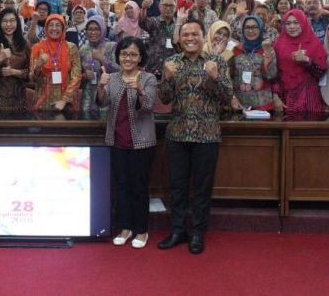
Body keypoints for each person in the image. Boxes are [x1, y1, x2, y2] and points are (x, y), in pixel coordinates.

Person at [157, 19, 233, 254]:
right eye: (186, 34)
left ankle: (198, 233)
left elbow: (227, 97)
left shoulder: (216, 61)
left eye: (195, 34)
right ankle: (178, 230)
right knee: (177, 187)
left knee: (202, 188)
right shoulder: (171, 62)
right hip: (177, 134)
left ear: (203, 36)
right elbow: (164, 97)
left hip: (206, 135)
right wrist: (166, 78)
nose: (190, 38)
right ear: (179, 38)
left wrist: (215, 76)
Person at [96, 37, 156, 249]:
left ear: (140, 57)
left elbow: (148, 106)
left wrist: (139, 89)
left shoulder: (148, 78)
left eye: (133, 54)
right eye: (124, 54)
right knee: (121, 187)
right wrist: (101, 87)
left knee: (139, 188)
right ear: (118, 56)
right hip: (117, 140)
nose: (128, 58)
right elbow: (102, 103)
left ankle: (141, 230)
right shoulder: (112, 77)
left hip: (142, 143)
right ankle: (125, 227)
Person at [273, 9, 327, 113]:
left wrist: (307, 60)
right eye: (288, 23)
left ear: (303, 23)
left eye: (296, 22)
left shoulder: (314, 43)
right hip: (283, 95)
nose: (292, 27)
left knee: (306, 122)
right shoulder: (278, 44)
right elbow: (273, 73)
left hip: (307, 97)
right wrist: (275, 95)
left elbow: (321, 73)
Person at [30, 14, 82, 112]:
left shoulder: (71, 48)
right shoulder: (37, 48)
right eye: (51, 25)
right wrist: (38, 67)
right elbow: (32, 79)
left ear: (63, 28)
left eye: (58, 25)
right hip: (43, 103)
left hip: (66, 104)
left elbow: (77, 77)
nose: (54, 28)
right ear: (46, 28)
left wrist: (64, 100)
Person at [0, 8, 30, 112]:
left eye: (12, 21)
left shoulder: (24, 44)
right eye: (5, 21)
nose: (8, 24)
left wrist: (14, 72)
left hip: (19, 99)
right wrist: (0, 59)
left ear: (17, 23)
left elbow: (30, 73)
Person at [229, 15, 277, 111]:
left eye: (254, 27)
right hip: (239, 106)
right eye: (247, 27)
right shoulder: (236, 50)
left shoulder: (267, 48)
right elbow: (230, 77)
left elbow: (272, 76)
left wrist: (268, 55)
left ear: (261, 29)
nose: (250, 30)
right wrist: (232, 97)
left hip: (263, 106)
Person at [79, 16, 119, 112]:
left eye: (97, 29)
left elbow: (119, 71)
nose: (93, 32)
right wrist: (84, 76)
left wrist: (103, 59)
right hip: (88, 98)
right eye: (90, 29)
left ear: (103, 29)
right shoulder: (83, 49)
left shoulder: (112, 47)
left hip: (106, 97)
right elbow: (77, 74)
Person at [138, 0, 176, 77]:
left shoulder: (179, 24)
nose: (168, 8)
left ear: (175, 8)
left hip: (173, 67)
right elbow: (142, 22)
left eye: (171, 6)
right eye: (165, 5)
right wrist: (143, 8)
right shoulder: (154, 21)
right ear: (160, 7)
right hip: (154, 66)